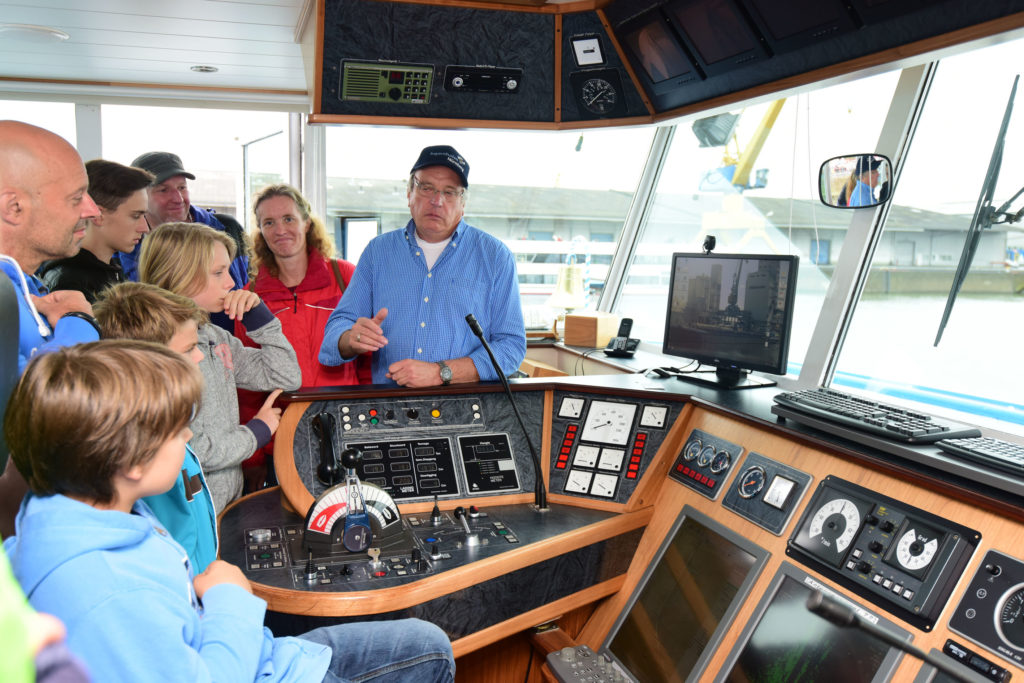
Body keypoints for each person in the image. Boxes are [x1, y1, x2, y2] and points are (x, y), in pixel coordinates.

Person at [3, 341, 455, 683]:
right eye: (178, 429)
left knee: (429, 642)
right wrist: (230, 599)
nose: (187, 439)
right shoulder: (109, 592)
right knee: (433, 656)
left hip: (260, 654)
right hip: (247, 663)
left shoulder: (85, 510)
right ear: (132, 461)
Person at [319, 145, 526, 387]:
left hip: (465, 408)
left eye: (449, 192)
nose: (437, 201)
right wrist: (350, 337)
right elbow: (336, 331)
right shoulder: (378, 252)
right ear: (409, 193)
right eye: (426, 188)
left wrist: (441, 373)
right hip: (390, 408)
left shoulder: (495, 257)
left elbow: (510, 347)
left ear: (463, 204)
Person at [139, 222, 301, 511]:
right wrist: (257, 432)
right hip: (188, 508)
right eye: (218, 273)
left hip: (226, 502)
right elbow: (193, 450)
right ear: (180, 275)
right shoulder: (158, 350)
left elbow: (286, 376)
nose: (231, 283)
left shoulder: (214, 336)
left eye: (228, 270)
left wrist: (259, 319)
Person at [0, 120, 102, 539]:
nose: (92, 210)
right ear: (13, 208)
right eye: (77, 197)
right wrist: (82, 327)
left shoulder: (28, 286)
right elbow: (58, 407)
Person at [235, 184, 370, 491]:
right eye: (268, 222)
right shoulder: (251, 296)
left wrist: (366, 426)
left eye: (288, 219)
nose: (280, 229)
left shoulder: (344, 276)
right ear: (260, 231)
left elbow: (368, 362)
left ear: (307, 223)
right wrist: (252, 456)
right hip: (281, 435)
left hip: (344, 429)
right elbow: (244, 385)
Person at [93, 281, 218, 572]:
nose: (199, 356)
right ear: (149, 360)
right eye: (189, 349)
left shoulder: (169, 421)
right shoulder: (145, 448)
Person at [124, 151, 249, 330]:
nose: (178, 198)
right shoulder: (127, 248)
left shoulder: (226, 228)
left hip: (234, 350)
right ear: (141, 196)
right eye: (163, 190)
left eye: (182, 187)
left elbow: (250, 284)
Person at [39, 159, 154, 302]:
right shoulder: (70, 286)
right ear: (98, 215)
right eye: (136, 216)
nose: (145, 228)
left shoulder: (110, 270)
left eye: (144, 216)